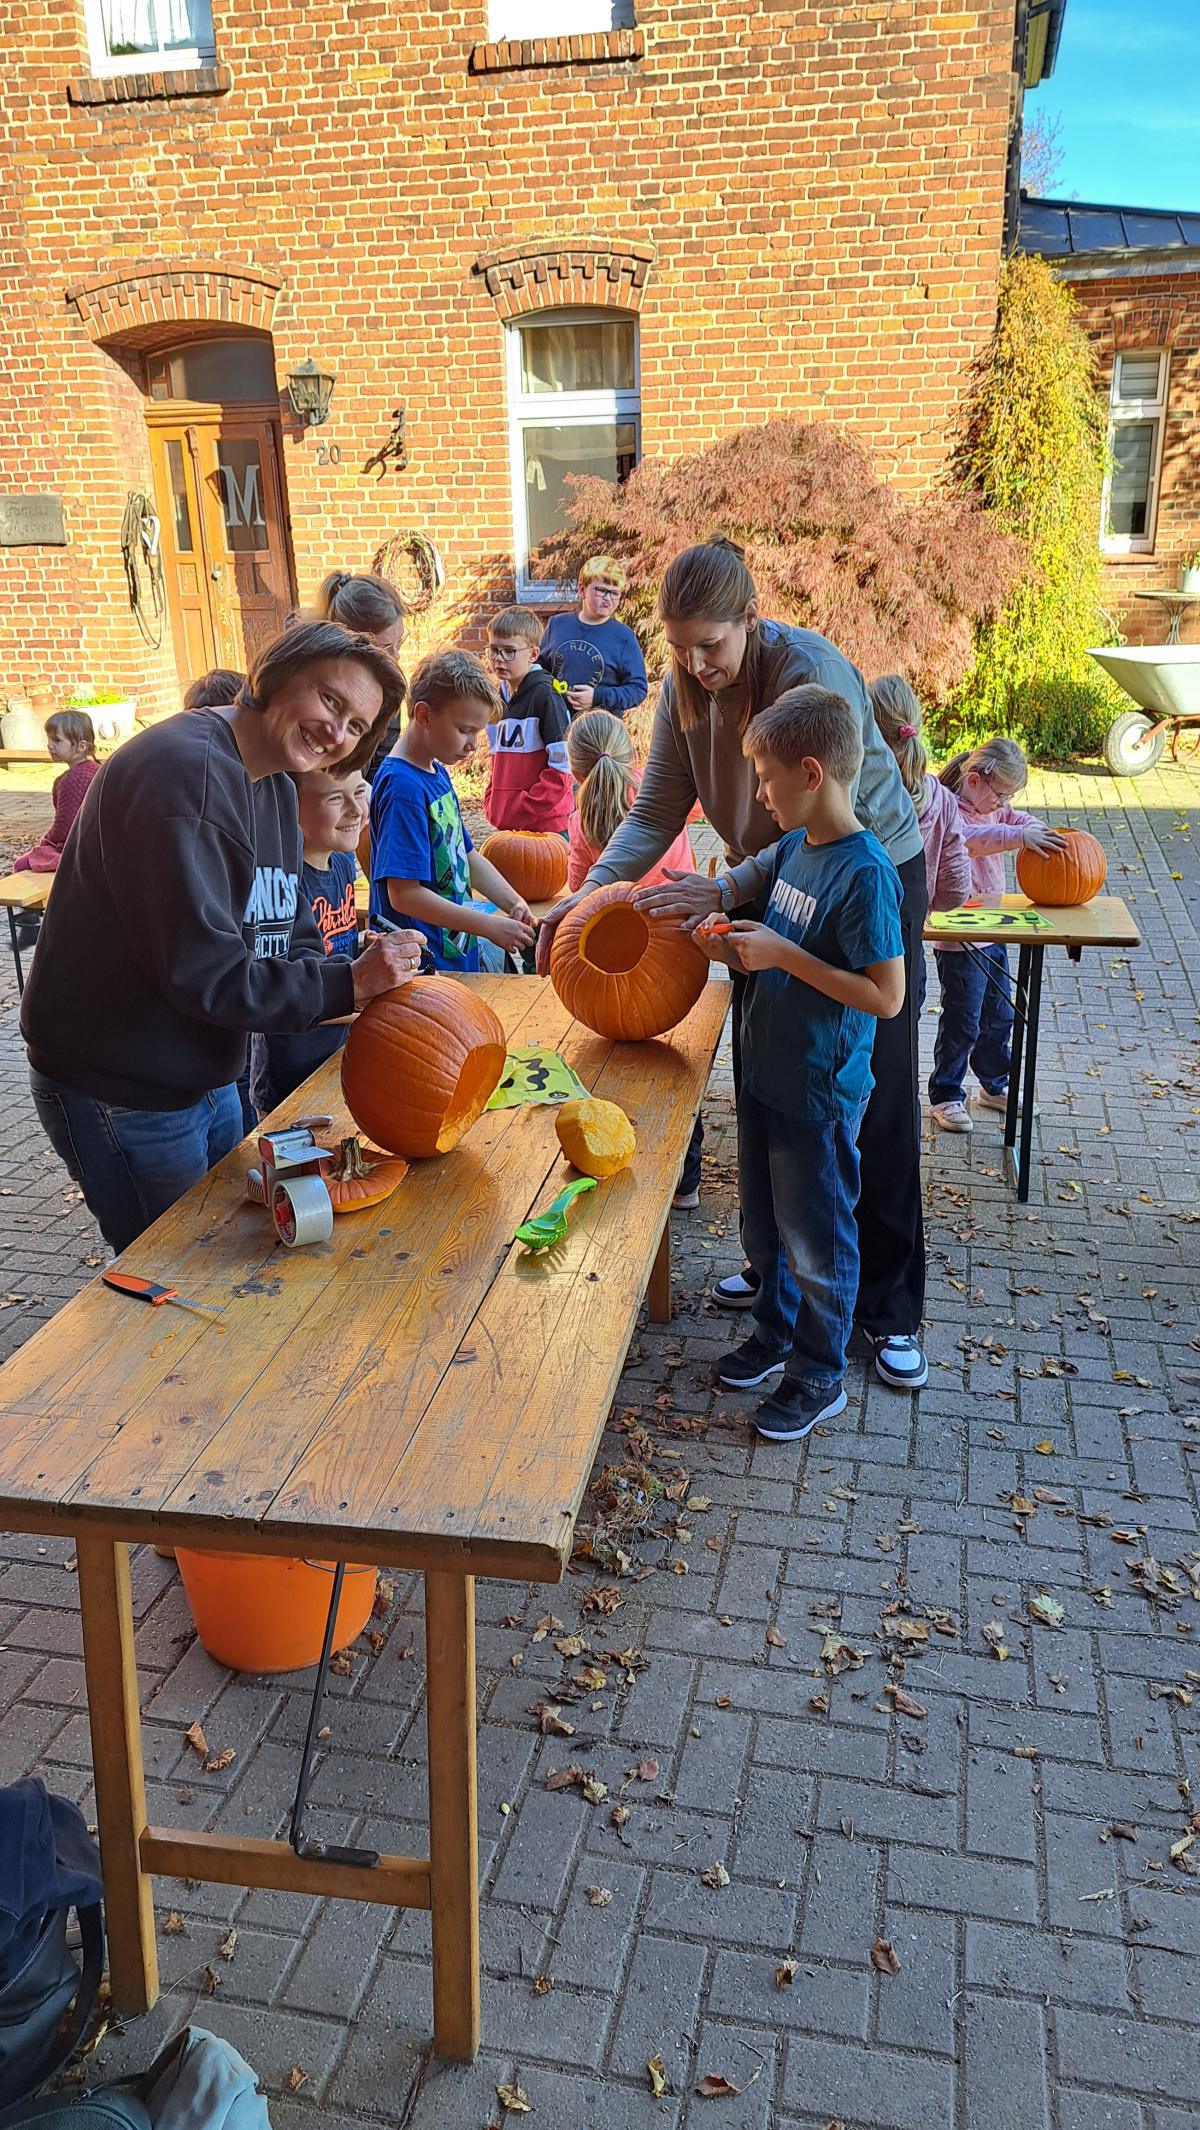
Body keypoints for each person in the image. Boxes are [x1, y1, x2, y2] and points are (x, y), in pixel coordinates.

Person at [538, 537, 929, 1390]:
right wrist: (589, 894)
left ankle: (891, 1309)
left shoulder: (808, 674)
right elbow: (653, 813)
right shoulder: (684, 687)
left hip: (864, 872)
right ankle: (777, 1271)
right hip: (767, 876)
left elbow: (818, 825)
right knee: (767, 1072)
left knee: (873, 1087)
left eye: (710, 645)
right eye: (678, 647)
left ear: (751, 620)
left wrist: (723, 892)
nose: (694, 663)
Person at [21, 621, 424, 1253]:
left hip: (207, 1072)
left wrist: (339, 974)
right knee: (177, 1275)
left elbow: (284, 922)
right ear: (278, 676)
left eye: (355, 725)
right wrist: (345, 983)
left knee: (229, 1249)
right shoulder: (185, 776)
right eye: (329, 700)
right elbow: (206, 974)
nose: (336, 732)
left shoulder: (273, 778)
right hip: (123, 1090)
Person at [697, 686, 903, 1441]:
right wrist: (728, 939)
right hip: (764, 1073)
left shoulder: (864, 872)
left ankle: (820, 1371)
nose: (758, 793)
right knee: (765, 1225)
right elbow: (763, 916)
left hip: (818, 1090)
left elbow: (885, 996)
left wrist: (781, 953)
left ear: (811, 773)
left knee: (818, 1236)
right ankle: (774, 1331)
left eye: (765, 777)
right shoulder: (793, 849)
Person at [567, 709, 705, 1209]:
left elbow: (579, 894)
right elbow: (694, 808)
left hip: (611, 969)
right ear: (632, 753)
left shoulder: (578, 817)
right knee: (677, 1069)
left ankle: (623, 1153)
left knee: (625, 1068)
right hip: (678, 954)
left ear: (575, 770)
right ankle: (686, 1177)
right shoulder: (654, 790)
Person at [929, 736, 1065, 1134]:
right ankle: (946, 1094)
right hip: (958, 935)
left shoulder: (994, 810)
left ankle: (994, 1084)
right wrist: (1017, 838)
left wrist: (1037, 830)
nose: (1004, 805)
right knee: (963, 1019)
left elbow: (1017, 821)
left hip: (995, 926)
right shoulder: (948, 811)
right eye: (1001, 795)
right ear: (974, 780)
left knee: (1001, 1015)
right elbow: (970, 841)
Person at [369, 648, 536, 972]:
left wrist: (512, 902)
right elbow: (403, 895)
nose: (474, 744)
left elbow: (466, 855)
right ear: (425, 715)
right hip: (423, 969)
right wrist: (487, 927)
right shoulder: (403, 787)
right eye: (464, 730)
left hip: (454, 955)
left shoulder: (436, 772)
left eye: (477, 731)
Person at [249, 760, 370, 1119]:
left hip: (339, 1056)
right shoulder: (286, 885)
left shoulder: (344, 863)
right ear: (290, 808)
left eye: (359, 792)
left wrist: (365, 950)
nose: (355, 810)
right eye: (335, 798)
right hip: (289, 1076)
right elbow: (281, 994)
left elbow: (338, 947)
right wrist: (365, 992)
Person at [868, 675, 971, 1006]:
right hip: (909, 949)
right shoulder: (942, 801)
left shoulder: (860, 796)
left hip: (857, 949)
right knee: (902, 1046)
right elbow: (956, 888)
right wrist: (926, 905)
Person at [484, 607, 572, 834]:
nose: (499, 659)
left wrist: (525, 805)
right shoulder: (496, 700)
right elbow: (496, 761)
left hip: (544, 829)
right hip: (508, 827)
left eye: (509, 651)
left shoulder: (546, 696)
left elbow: (563, 767)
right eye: (494, 650)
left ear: (533, 654)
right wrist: (493, 801)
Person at [311, 570, 406, 774]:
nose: (396, 656)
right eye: (386, 647)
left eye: (399, 643)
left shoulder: (386, 691)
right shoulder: (313, 691)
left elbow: (379, 765)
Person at [538, 556, 648, 719]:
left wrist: (597, 697)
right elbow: (539, 670)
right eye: (601, 590)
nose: (608, 598)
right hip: (556, 725)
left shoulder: (624, 636)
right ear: (582, 590)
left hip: (601, 730)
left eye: (614, 593)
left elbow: (638, 689)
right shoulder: (558, 625)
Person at [14, 712, 100, 874]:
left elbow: (64, 827)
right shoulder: (95, 769)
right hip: (95, 843)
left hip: (80, 849)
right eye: (49, 739)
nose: (50, 745)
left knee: (22, 864)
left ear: (80, 746)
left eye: (57, 740)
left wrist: (47, 840)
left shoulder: (73, 779)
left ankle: (55, 899)